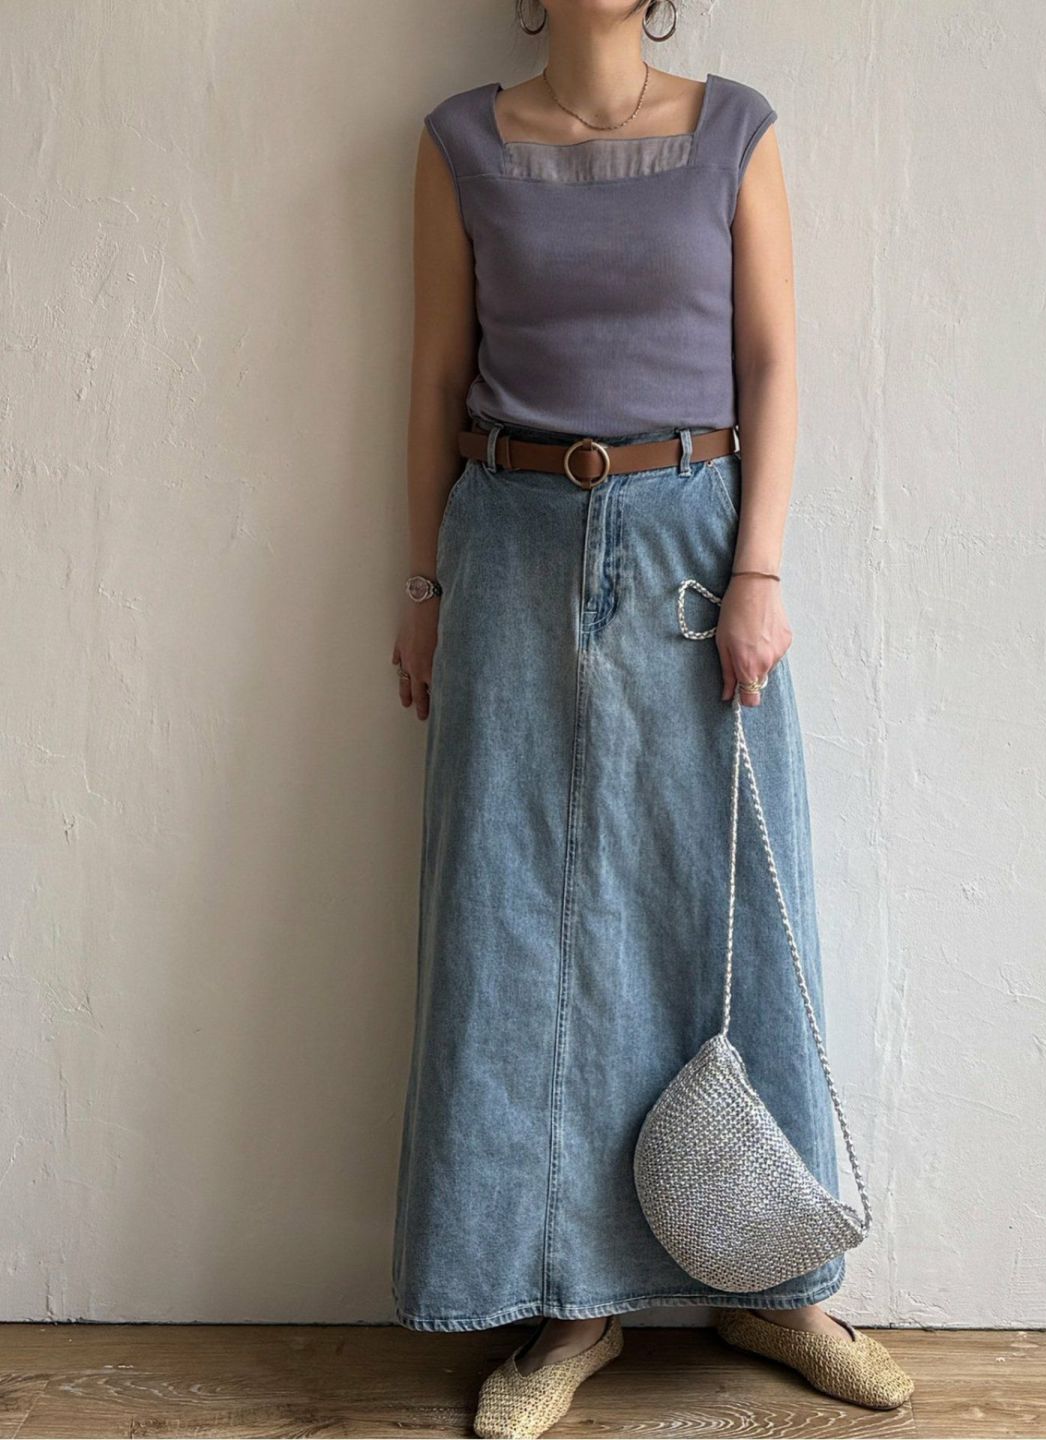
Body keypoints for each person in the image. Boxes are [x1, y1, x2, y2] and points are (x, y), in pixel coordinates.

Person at [390, 3, 914, 1435]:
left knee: (732, 899)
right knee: (523, 917)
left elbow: (773, 362)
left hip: (694, 539)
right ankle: (568, 1302)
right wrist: (424, 583)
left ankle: (780, 1285)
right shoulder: (459, 142)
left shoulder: (733, 130)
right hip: (510, 544)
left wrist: (760, 569)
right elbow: (433, 377)